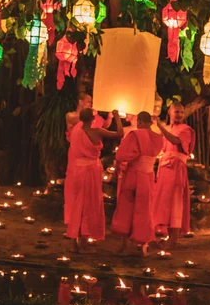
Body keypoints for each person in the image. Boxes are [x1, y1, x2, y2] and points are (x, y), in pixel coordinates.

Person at [65, 108, 124, 253]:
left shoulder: (75, 132)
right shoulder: (96, 131)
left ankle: (75, 241)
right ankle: (83, 242)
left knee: (77, 204)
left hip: (77, 171)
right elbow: (120, 133)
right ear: (92, 118)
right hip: (90, 171)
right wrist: (117, 117)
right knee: (89, 204)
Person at [111, 111, 163, 256]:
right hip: (148, 176)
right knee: (145, 210)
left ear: (140, 121)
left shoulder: (135, 135)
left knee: (127, 208)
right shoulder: (159, 138)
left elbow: (121, 154)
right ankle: (143, 245)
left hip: (134, 175)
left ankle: (124, 245)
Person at [64, 93, 112, 226]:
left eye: (92, 102)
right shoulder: (71, 115)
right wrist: (91, 114)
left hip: (89, 157)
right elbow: (78, 119)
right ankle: (72, 221)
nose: (91, 104)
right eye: (88, 102)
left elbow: (105, 126)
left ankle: (85, 223)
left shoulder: (91, 119)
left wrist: (110, 117)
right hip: (76, 154)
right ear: (80, 102)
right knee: (74, 188)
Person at [152, 101, 195, 249]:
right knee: (164, 201)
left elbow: (176, 141)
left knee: (176, 201)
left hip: (176, 168)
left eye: (182, 112)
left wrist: (160, 128)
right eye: (176, 111)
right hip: (165, 168)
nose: (179, 115)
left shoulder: (186, 130)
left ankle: (174, 239)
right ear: (169, 112)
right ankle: (167, 235)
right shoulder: (168, 128)